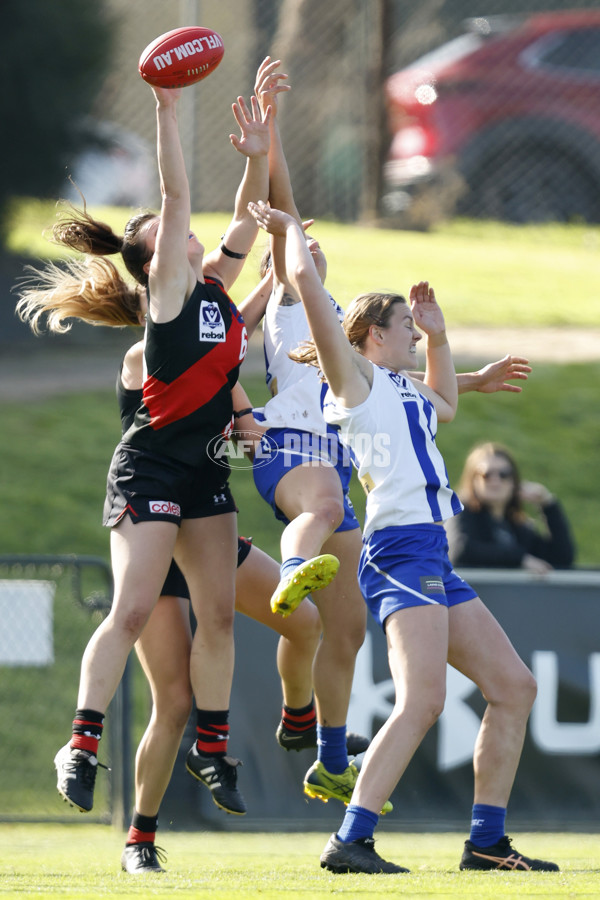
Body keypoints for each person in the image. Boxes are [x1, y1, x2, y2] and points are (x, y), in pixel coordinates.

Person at [248, 58, 537, 814]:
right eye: (405, 326)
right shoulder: (354, 376)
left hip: (429, 545)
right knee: (421, 704)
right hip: (398, 541)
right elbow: (307, 287)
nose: (412, 331)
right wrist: (282, 208)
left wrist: (442, 340)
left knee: (512, 687)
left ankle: (483, 838)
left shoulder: (400, 385)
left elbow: (443, 399)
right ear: (374, 339)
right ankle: (351, 832)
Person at [16, 80, 273, 819]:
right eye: (168, 223)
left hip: (203, 471)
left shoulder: (216, 288)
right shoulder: (166, 295)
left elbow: (245, 227)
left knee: (218, 615)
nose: (184, 225)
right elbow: (177, 188)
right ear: (154, 255)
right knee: (131, 611)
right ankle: (82, 743)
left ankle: (213, 748)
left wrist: (257, 158)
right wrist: (164, 111)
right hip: (150, 468)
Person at [446, 441, 576, 573]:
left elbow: (561, 559)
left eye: (504, 474)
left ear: (514, 481)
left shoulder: (518, 527)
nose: (495, 481)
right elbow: (460, 551)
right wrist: (520, 559)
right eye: (486, 474)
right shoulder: (460, 511)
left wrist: (548, 504)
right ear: (473, 480)